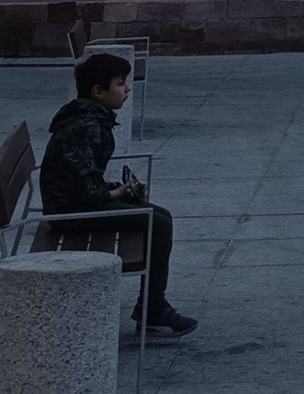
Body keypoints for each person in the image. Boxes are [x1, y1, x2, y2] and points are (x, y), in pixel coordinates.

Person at [42, 52, 196, 337]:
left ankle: (152, 305)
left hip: (71, 205)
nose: (128, 89)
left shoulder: (88, 117)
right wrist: (119, 192)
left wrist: (121, 190)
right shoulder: (87, 126)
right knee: (159, 223)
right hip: (71, 215)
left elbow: (84, 178)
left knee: (159, 214)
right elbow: (86, 194)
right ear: (98, 92)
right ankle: (152, 309)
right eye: (121, 84)